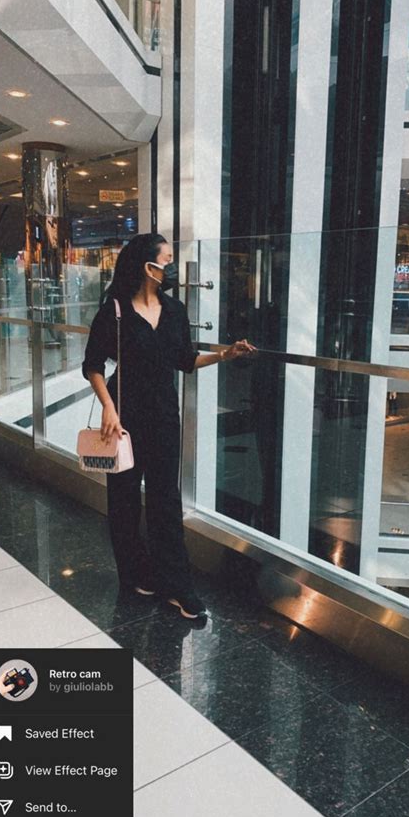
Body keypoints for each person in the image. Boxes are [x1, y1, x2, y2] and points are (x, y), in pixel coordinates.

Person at [82, 233, 256, 619]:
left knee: (165, 500)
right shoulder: (114, 310)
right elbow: (93, 365)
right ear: (149, 266)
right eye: (167, 259)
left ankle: (178, 586)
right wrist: (109, 408)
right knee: (124, 501)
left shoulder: (174, 310)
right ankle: (134, 575)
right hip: (123, 419)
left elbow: (185, 360)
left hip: (162, 416)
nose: (172, 266)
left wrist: (225, 355)